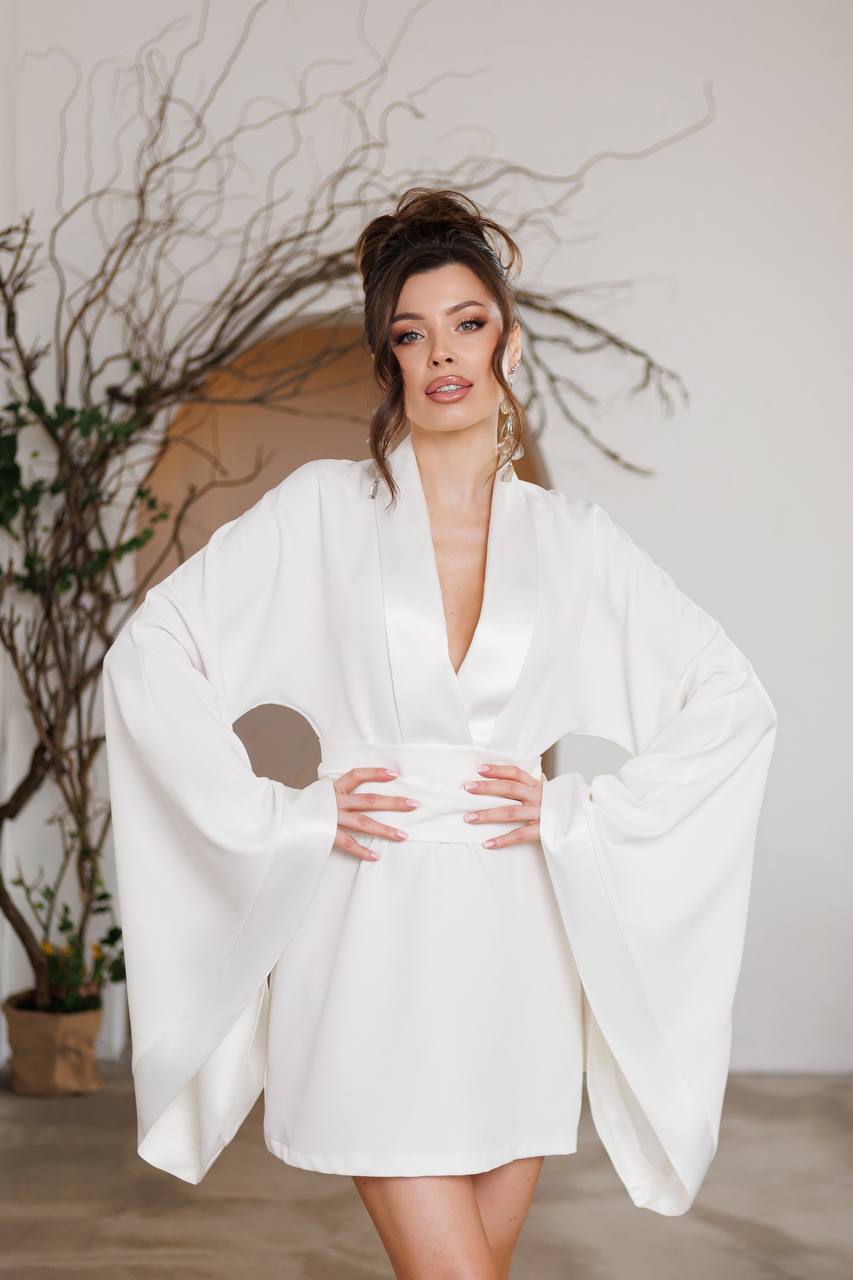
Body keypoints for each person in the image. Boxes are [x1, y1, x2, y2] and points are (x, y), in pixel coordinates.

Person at [101, 187, 778, 1278]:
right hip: (366, 934)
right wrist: (286, 815)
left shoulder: (574, 542)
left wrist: (575, 811)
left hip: (519, 948)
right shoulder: (322, 513)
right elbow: (150, 655)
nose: (442, 353)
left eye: (466, 322)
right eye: (411, 334)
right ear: (389, 360)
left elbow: (730, 701)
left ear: (506, 339)